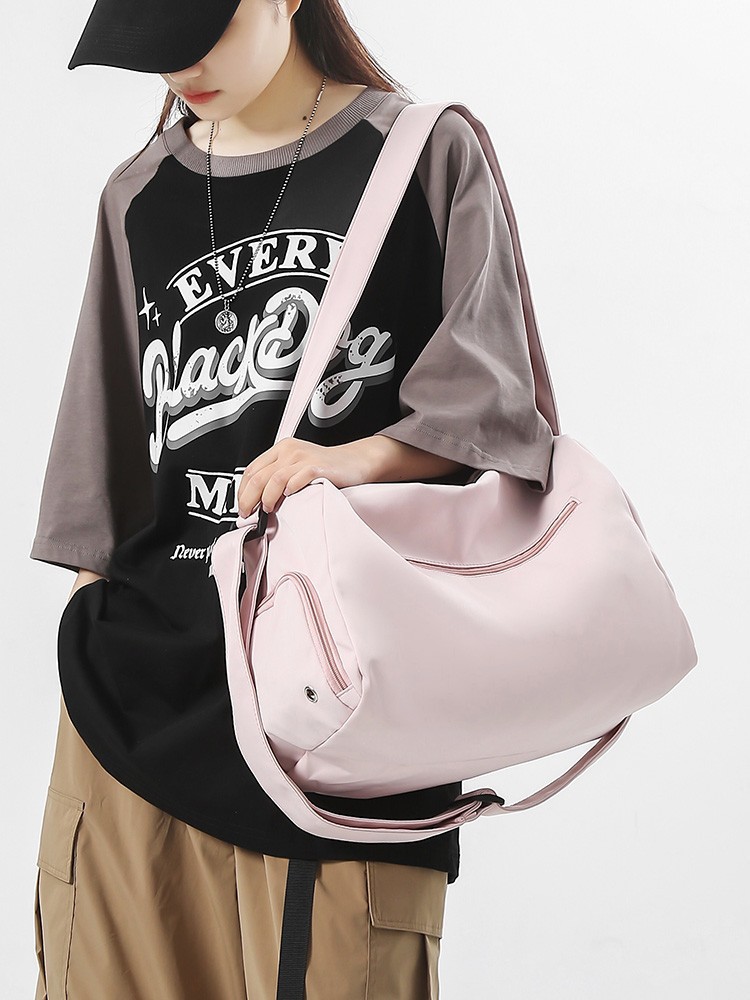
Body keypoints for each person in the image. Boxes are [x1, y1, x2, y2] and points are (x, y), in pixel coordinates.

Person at [30, 0, 555, 997]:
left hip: (341, 717)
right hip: (128, 714)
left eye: (198, 32)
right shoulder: (137, 195)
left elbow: (494, 413)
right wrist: (83, 660)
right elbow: (105, 484)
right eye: (152, 49)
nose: (178, 70)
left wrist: (351, 460)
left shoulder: (422, 155)